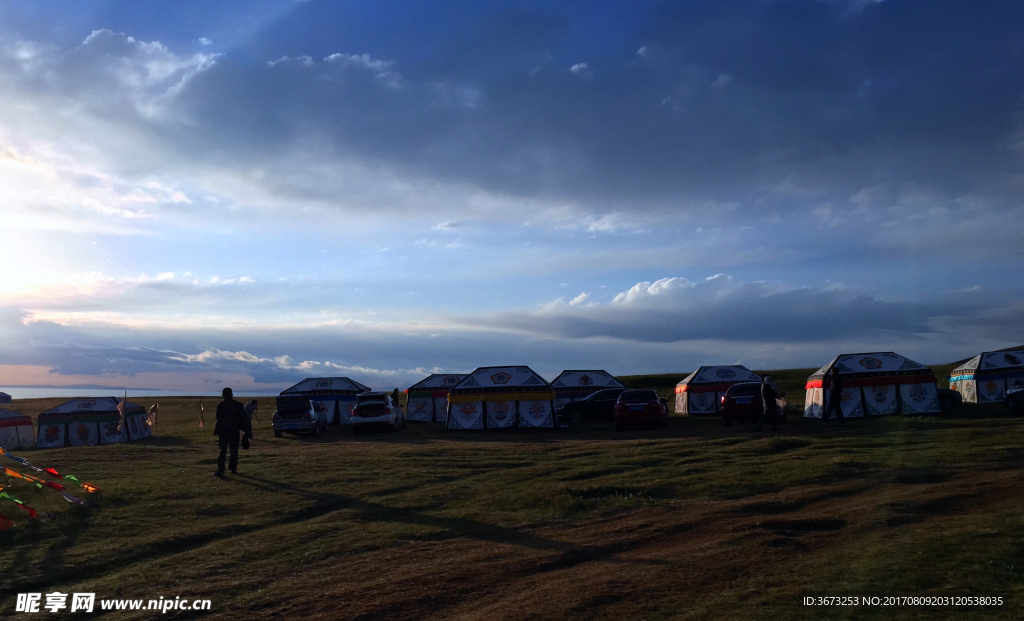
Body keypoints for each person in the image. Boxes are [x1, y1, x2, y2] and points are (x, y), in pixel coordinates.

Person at [214, 387, 252, 477]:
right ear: (231, 395)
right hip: (232, 431)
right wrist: (247, 431)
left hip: (225, 432)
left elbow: (218, 419)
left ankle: (222, 469)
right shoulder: (237, 405)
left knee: (223, 450)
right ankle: (232, 468)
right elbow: (244, 419)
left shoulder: (221, 405)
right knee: (233, 451)